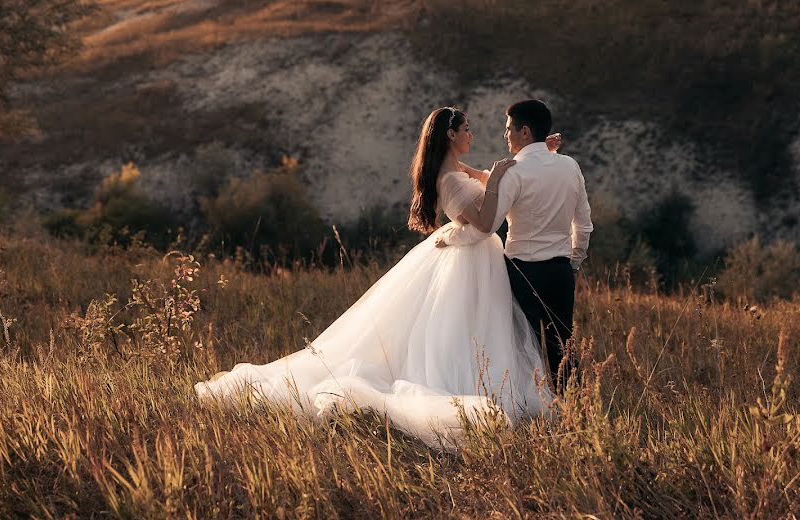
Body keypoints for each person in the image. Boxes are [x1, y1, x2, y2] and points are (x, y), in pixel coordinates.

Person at [195, 107, 560, 449]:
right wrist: (496, 178)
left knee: (479, 327)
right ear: (450, 134)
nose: (472, 133)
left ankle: (494, 383)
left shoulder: (457, 169)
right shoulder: (447, 180)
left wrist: (538, 153)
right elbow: (482, 223)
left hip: (478, 259)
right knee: (459, 330)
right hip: (468, 261)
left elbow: (487, 178)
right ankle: (464, 388)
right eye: (466, 129)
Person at [437, 100, 593, 392]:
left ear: (524, 131)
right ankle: (576, 412)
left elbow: (487, 226)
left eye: (509, 129)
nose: (505, 135)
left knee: (524, 348)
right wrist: (573, 262)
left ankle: (530, 408)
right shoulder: (570, 165)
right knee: (563, 345)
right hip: (561, 271)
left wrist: (450, 237)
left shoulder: (513, 173)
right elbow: (583, 224)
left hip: (521, 274)